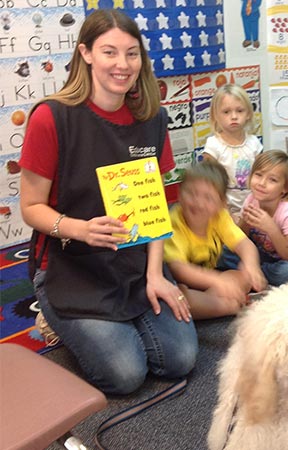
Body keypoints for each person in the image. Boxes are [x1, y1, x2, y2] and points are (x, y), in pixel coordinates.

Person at [19, 9, 198, 395]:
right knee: (125, 375)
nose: (123, 64)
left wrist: (155, 274)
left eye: (132, 54)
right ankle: (56, 319)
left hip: (133, 266)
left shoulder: (153, 119)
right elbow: (30, 208)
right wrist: (79, 229)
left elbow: (158, 207)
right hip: (71, 267)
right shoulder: (51, 118)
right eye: (109, 52)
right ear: (85, 54)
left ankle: (120, 318)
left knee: (179, 360)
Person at [163, 160, 266, 320]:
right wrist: (217, 282)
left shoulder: (220, 217)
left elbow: (245, 244)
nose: (199, 203)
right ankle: (229, 306)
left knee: (242, 277)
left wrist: (251, 266)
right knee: (180, 299)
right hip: (179, 285)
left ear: (221, 204)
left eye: (208, 198)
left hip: (210, 284)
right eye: (191, 193)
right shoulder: (173, 224)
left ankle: (209, 304)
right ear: (179, 194)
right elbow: (179, 269)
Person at [237, 150, 288, 286]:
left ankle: (253, 273)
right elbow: (241, 237)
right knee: (225, 251)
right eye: (258, 175)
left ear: (285, 188)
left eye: (272, 180)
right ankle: (253, 271)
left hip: (283, 260)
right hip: (260, 254)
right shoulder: (251, 199)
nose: (262, 183)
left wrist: (271, 228)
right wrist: (245, 222)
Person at [202, 83, 262, 222]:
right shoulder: (213, 146)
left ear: (248, 114)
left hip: (252, 205)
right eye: (226, 112)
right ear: (215, 115)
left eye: (240, 111)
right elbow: (210, 185)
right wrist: (226, 212)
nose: (234, 116)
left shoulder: (254, 143)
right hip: (222, 208)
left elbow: (261, 177)